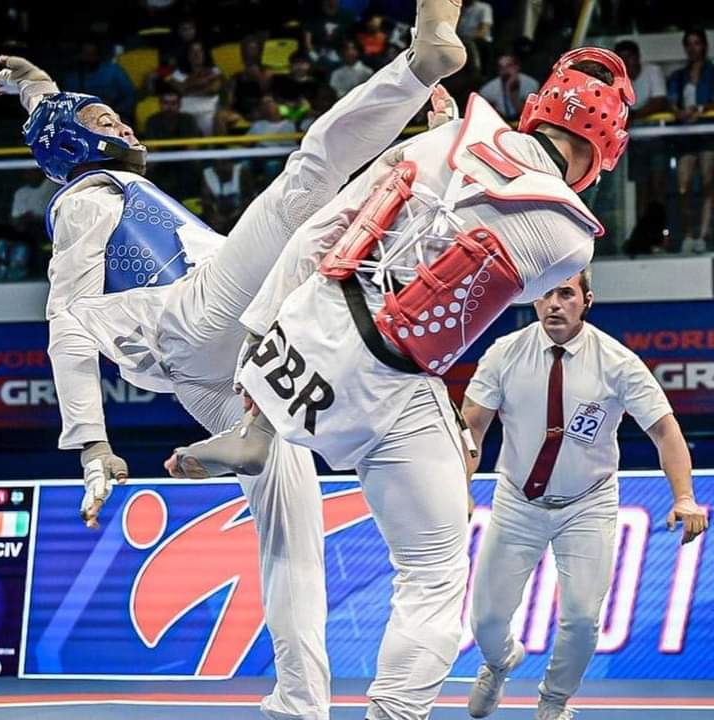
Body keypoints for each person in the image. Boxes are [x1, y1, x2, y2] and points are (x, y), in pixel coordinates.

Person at [0, 3, 465, 717]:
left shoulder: (91, 171)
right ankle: (418, 69)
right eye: (102, 125)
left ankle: (298, 701)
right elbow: (67, 321)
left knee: (289, 528)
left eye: (115, 117)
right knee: (304, 184)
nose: (121, 124)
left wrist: (32, 83)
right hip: (199, 315)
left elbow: (59, 118)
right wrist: (92, 443)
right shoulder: (86, 198)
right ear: (74, 148)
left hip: (222, 369)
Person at [178, 45, 635, 720]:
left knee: (324, 224)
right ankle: (393, 714)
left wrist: (262, 338)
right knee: (434, 576)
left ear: (540, 102)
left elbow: (322, 232)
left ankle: (255, 427)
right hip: (386, 374)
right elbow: (507, 277)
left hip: (298, 333)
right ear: (605, 149)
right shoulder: (572, 239)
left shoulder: (448, 133)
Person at [461, 270, 709, 720]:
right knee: (486, 620)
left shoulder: (617, 362)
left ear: (586, 300)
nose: (554, 303)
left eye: (566, 294)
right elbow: (472, 427)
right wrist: (457, 488)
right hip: (517, 501)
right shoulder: (504, 353)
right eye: (546, 295)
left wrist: (685, 497)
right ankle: (500, 664)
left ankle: (553, 702)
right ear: (533, 302)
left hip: (587, 505)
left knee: (580, 619)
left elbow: (664, 429)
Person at [667, 28, 714, 253]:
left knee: (708, 184)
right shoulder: (678, 75)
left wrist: (702, 109)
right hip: (685, 135)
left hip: (707, 133)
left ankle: (703, 234)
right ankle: (687, 233)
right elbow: (671, 102)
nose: (693, 48)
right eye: (690, 43)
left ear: (704, 45)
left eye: (697, 43)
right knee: (683, 186)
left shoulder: (712, 72)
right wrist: (678, 111)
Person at [614, 39, 671, 224]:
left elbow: (660, 101)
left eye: (629, 57)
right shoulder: (617, 81)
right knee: (641, 189)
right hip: (635, 141)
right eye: (621, 59)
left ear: (637, 58)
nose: (627, 63)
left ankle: (662, 235)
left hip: (657, 139)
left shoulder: (652, 71)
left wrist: (634, 115)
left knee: (659, 187)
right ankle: (642, 234)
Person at [479, 52, 539, 122]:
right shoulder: (490, 88)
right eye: (501, 67)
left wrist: (512, 90)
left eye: (509, 66)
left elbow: (525, 112)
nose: (505, 70)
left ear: (517, 67)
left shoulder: (531, 84)